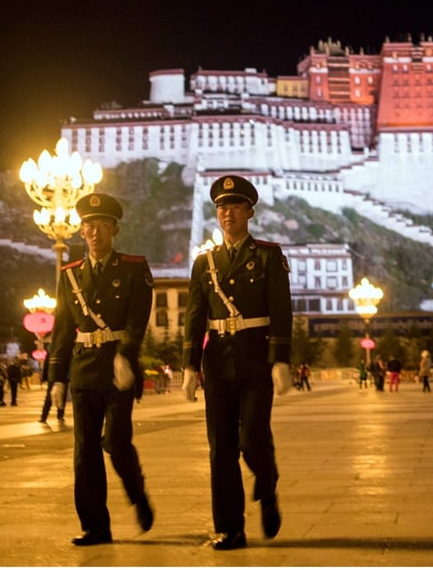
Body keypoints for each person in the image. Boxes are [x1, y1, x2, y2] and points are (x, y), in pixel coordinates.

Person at [181, 175, 292, 551]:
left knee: (251, 439)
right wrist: (188, 367)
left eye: (235, 206)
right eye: (221, 207)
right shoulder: (204, 263)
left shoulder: (267, 255)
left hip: (257, 360)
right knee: (221, 449)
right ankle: (230, 528)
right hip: (218, 364)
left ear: (250, 212)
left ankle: (268, 481)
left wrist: (281, 361)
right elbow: (194, 318)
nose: (227, 213)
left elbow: (281, 311)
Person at [46, 192, 155, 546]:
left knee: (116, 441)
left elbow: (137, 320)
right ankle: (95, 525)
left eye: (102, 226)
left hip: (118, 369)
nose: (95, 233)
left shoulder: (134, 268)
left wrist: (127, 355)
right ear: (81, 232)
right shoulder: (70, 275)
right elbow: (62, 328)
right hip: (84, 370)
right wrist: (56, 378)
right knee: (85, 451)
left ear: (114, 230)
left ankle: (137, 494)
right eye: (89, 226)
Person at [38, 355, 66, 427]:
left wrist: (44, 377)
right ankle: (59, 415)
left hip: (53, 375)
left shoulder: (51, 347)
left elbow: (46, 363)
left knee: (49, 397)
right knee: (61, 396)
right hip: (61, 376)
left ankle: (44, 416)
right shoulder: (67, 346)